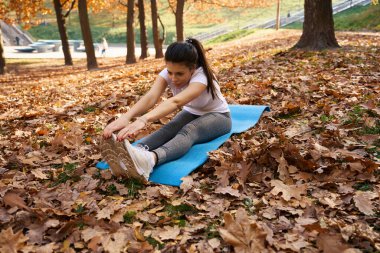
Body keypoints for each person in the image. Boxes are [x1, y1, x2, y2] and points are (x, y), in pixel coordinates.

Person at [101, 38, 231, 182]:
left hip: (220, 117)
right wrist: (127, 116)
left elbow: (176, 102)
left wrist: (143, 119)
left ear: (192, 68)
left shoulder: (202, 76)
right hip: (192, 112)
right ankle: (134, 153)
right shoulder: (170, 72)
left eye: (179, 74)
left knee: (189, 130)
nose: (173, 78)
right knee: (169, 128)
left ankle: (150, 160)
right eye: (170, 72)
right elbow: (151, 97)